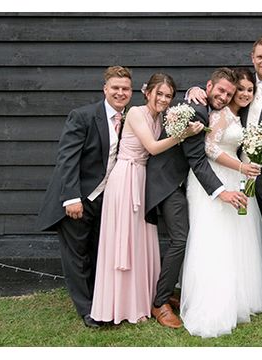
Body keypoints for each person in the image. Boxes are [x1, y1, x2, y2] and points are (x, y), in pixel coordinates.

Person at [187, 35, 262, 324]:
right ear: (252, 58)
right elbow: (214, 92)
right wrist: (192, 90)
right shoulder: (240, 84)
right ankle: (241, 291)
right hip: (238, 173)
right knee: (245, 235)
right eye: (259, 57)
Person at [90, 73, 201, 325]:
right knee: (125, 241)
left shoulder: (161, 116)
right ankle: (120, 304)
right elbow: (151, 147)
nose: (163, 99)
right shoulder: (137, 113)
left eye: (168, 95)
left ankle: (142, 298)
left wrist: (194, 87)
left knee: (139, 242)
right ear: (147, 92)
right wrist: (183, 134)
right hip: (126, 176)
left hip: (142, 180)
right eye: (159, 93)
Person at [145, 68, 248, 329]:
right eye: (220, 90)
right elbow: (198, 159)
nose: (224, 97)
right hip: (167, 181)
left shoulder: (203, 104)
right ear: (209, 85)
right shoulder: (198, 110)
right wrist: (222, 191)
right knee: (180, 239)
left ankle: (170, 291)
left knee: (186, 237)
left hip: (181, 182)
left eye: (229, 94)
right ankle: (159, 302)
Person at [35, 66, 133, 328]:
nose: (120, 93)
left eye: (125, 89)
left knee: (96, 252)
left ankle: (100, 302)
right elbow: (67, 159)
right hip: (77, 198)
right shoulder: (84, 116)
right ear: (105, 89)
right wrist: (71, 198)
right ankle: (87, 310)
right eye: (115, 88)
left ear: (131, 92)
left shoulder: (130, 119)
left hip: (104, 199)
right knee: (76, 256)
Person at [180, 68, 262, 338]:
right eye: (235, 90)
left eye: (245, 91)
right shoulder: (218, 114)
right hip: (215, 178)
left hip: (234, 176)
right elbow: (209, 148)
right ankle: (213, 302)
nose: (240, 95)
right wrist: (242, 167)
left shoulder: (235, 115)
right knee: (215, 236)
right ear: (211, 87)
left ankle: (240, 295)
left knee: (235, 237)